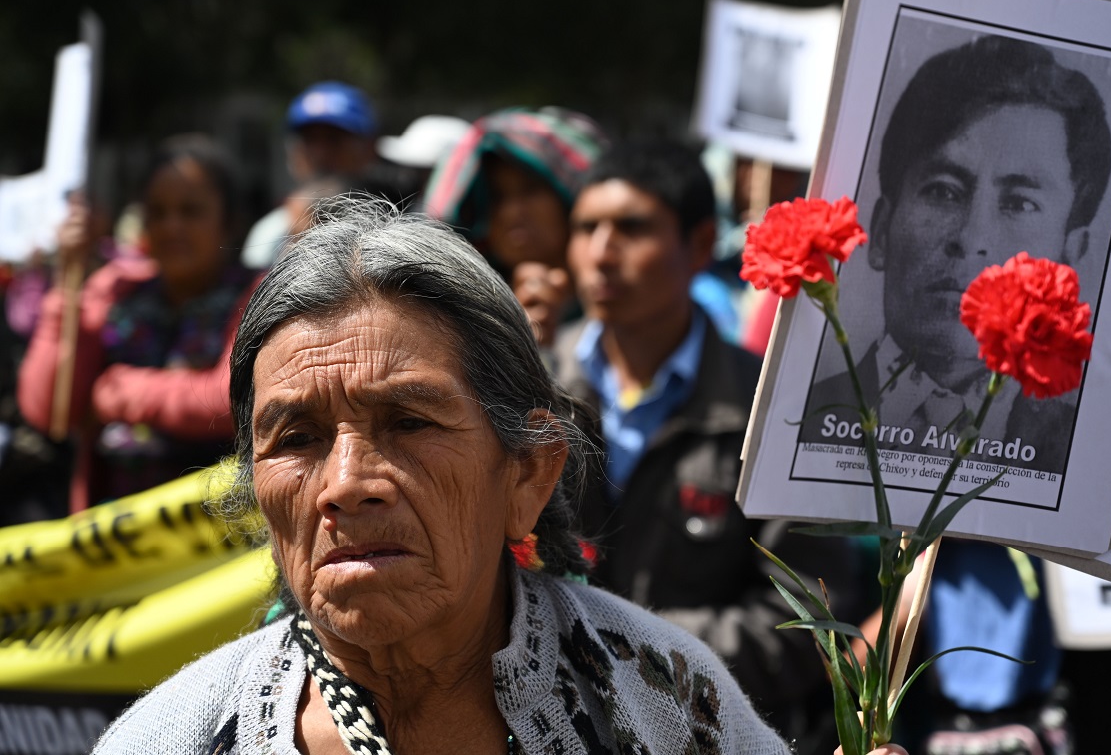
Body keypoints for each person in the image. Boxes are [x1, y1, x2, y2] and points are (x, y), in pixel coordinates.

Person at [91, 203, 790, 755]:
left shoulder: (670, 704)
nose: (346, 484)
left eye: (410, 423)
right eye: (296, 440)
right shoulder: (177, 738)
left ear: (527, 474)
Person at [549, 141, 862, 750]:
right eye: (586, 228)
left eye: (632, 228)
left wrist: (629, 642)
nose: (601, 252)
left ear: (698, 246)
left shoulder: (771, 408)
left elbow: (808, 618)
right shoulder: (529, 387)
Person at [799, 35, 1111, 477]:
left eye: (1019, 203)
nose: (971, 237)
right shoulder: (797, 418)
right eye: (944, 191)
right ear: (883, 230)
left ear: (1069, 257)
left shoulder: (1086, 462)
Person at [18, 135, 260, 510]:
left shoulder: (258, 295)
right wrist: (69, 282)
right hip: (120, 541)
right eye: (157, 212)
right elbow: (50, 409)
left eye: (190, 211)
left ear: (230, 221)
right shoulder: (115, 291)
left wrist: (122, 392)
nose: (171, 227)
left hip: (220, 535)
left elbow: (233, 401)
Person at [423, 106, 608, 346]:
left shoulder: (625, 307)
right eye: (497, 197)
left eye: (530, 190)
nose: (512, 212)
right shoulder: (461, 318)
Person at [243, 81, 383, 270]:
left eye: (334, 139)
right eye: (309, 140)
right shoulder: (270, 233)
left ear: (369, 147)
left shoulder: (407, 223)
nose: (320, 154)